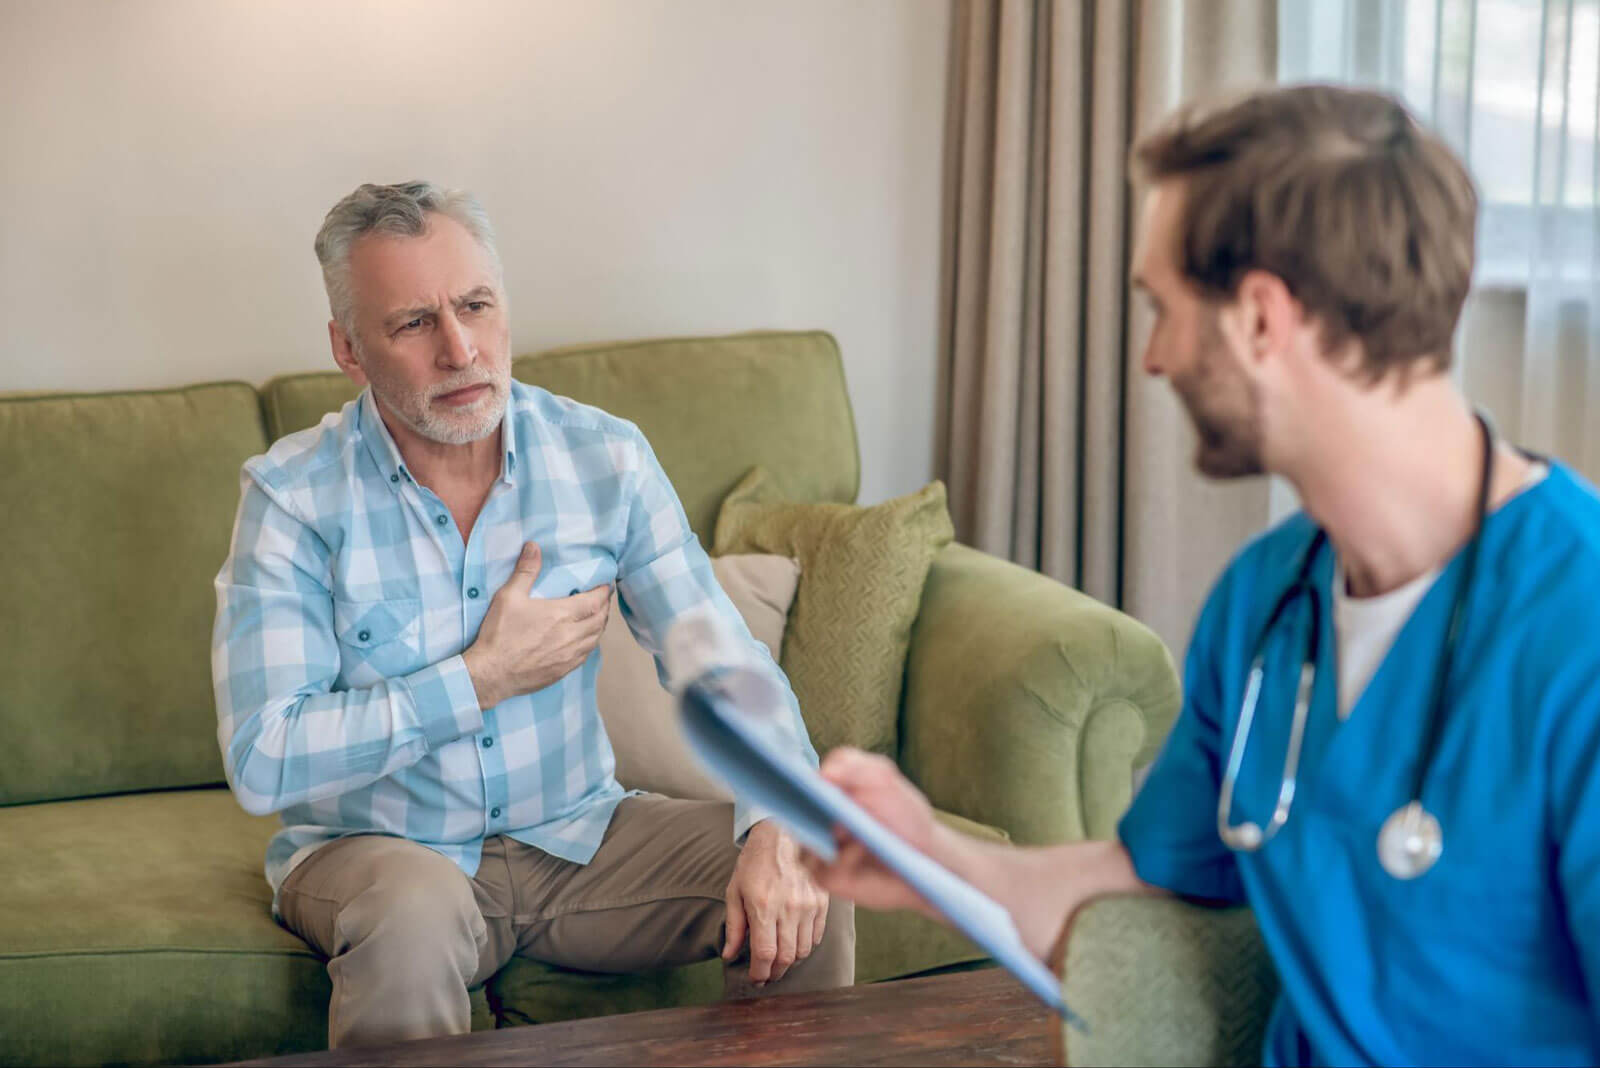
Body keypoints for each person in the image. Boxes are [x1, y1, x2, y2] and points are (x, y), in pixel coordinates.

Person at [805, 85, 1600, 1066]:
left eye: (1163, 307)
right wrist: (931, 856)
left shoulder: (1576, 627)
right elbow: (1150, 885)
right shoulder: (1266, 603)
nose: (1152, 356)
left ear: (1260, 318)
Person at [212, 181, 851, 1049]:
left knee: (812, 856)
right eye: (413, 323)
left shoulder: (603, 458)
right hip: (386, 850)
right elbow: (264, 757)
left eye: (475, 305)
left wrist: (778, 815)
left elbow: (717, 658)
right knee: (412, 913)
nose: (461, 348)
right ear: (349, 350)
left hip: (580, 834)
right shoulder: (293, 497)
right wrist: (480, 679)